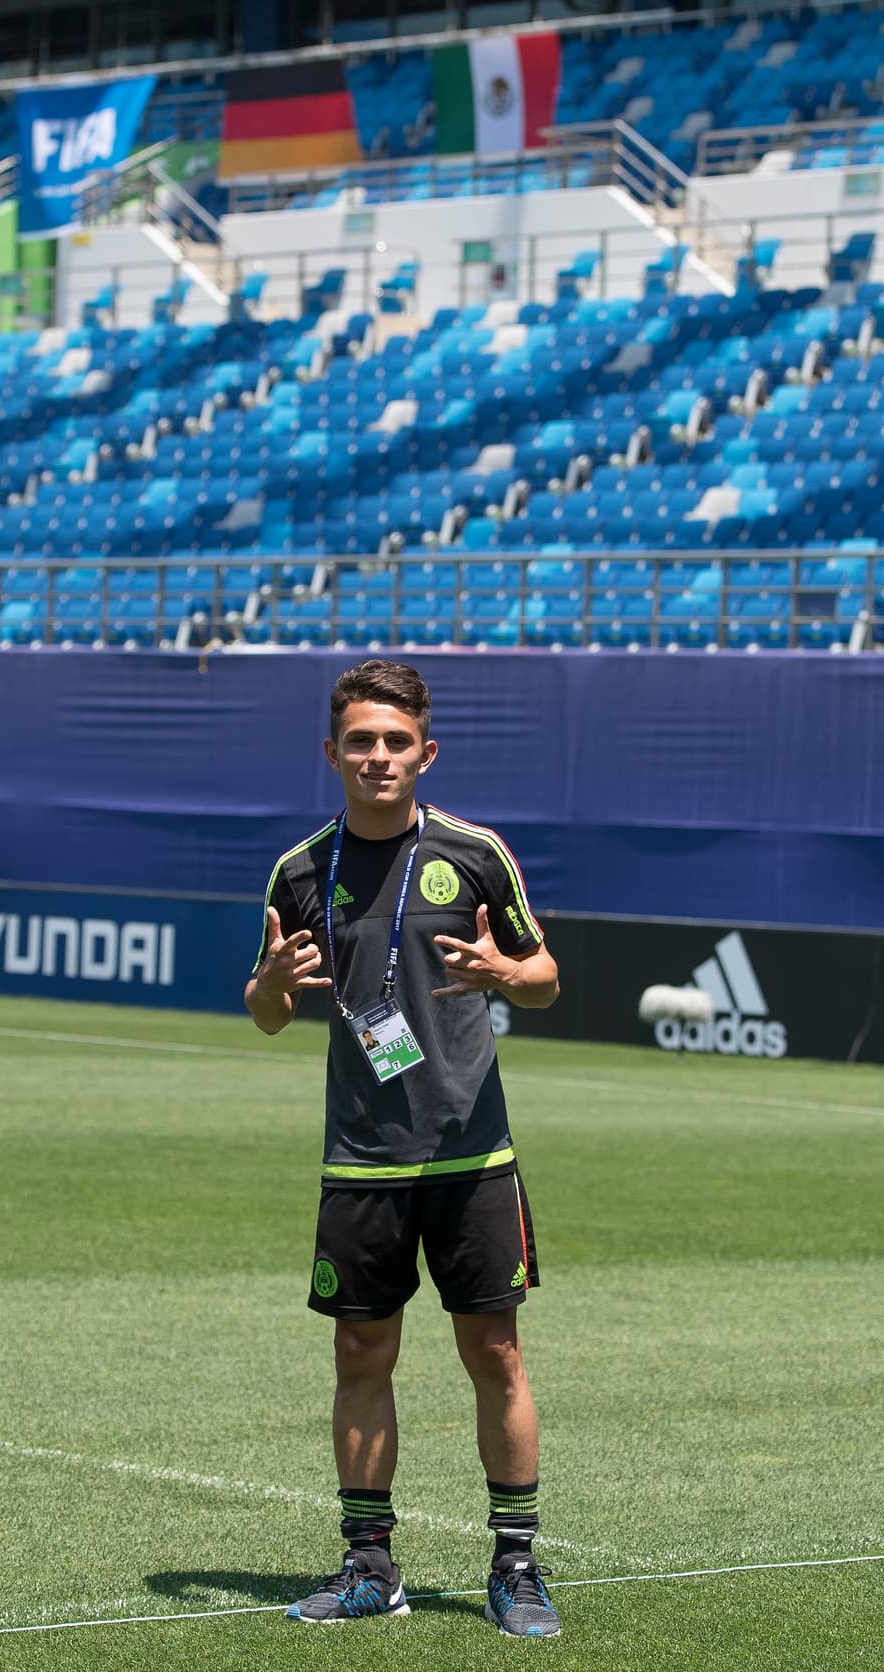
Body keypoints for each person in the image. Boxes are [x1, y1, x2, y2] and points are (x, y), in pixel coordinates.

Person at [245, 659, 562, 1638]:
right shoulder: (300, 872)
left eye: (395, 741)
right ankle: (368, 1565)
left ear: (426, 752)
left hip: (472, 1154)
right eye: (360, 741)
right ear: (331, 752)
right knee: (359, 1353)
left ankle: (516, 1565)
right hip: (361, 1158)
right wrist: (271, 983)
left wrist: (505, 971)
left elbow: (546, 978)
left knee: (494, 1352)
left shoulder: (474, 855)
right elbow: (264, 1011)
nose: (377, 756)